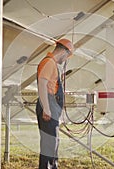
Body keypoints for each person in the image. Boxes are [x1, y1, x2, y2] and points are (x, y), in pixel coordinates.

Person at [35, 38, 74, 169]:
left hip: (51, 105)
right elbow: (42, 84)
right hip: (48, 104)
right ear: (64, 51)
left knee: (52, 143)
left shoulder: (50, 63)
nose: (66, 59)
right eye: (68, 56)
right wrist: (46, 108)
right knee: (49, 144)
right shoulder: (49, 63)